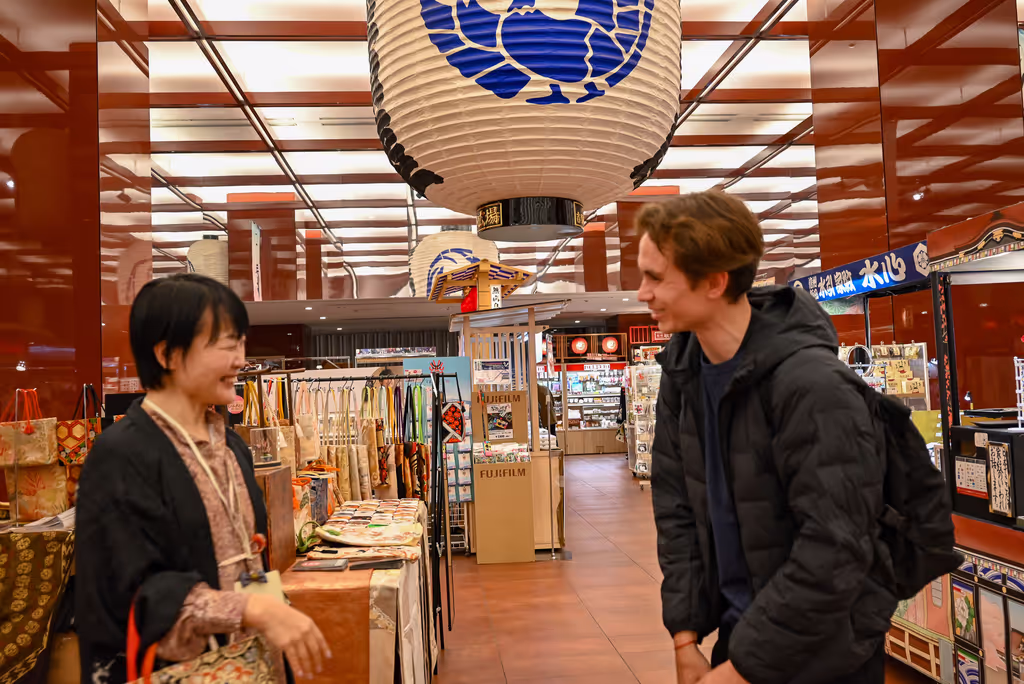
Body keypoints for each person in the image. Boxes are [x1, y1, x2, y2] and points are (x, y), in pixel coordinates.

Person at [638, 192, 896, 684]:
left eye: (655, 277)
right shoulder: (683, 374)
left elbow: (836, 546)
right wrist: (685, 637)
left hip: (826, 653)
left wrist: (745, 668)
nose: (642, 293)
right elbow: (676, 507)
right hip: (740, 638)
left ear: (714, 282)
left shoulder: (815, 385)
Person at [77, 274, 330, 683]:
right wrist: (250, 609)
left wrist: (265, 612)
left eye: (241, 344)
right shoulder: (121, 455)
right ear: (168, 354)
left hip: (249, 664)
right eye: (226, 345)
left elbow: (246, 557)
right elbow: (131, 589)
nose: (240, 360)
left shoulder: (231, 446)